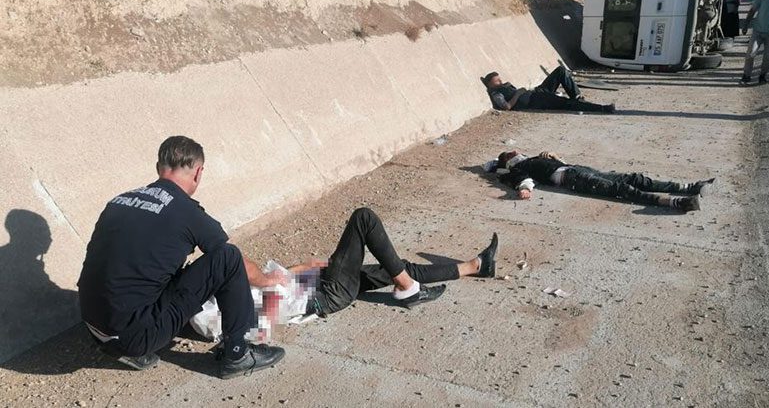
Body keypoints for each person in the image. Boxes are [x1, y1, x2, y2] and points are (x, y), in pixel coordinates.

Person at [78, 136, 287, 379]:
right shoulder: (187, 211)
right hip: (134, 337)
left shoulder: (119, 201)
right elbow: (233, 262)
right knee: (228, 257)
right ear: (198, 172)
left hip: (94, 325)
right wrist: (266, 280)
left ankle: (123, 343)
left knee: (156, 268)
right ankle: (238, 353)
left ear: (159, 167)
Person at [302, 208, 498, 317]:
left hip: (321, 281)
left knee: (396, 268)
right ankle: (408, 288)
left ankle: (477, 266)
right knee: (364, 218)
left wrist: (312, 267)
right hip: (328, 292)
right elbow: (285, 289)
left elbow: (288, 275)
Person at [486, 151, 715, 213]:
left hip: (578, 170)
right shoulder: (517, 168)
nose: (516, 151)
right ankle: (676, 202)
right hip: (573, 179)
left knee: (633, 178)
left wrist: (554, 157)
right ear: (508, 160)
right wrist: (525, 189)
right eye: (511, 153)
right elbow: (522, 180)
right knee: (621, 189)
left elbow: (559, 165)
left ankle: (688, 187)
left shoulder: (535, 158)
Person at [481, 66, 616, 114]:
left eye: (500, 79)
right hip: (536, 101)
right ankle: (603, 108)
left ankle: (577, 96)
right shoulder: (496, 93)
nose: (500, 82)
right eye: (497, 81)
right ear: (490, 85)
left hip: (537, 93)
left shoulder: (501, 88)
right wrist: (518, 93)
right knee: (566, 104)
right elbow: (506, 107)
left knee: (560, 71)